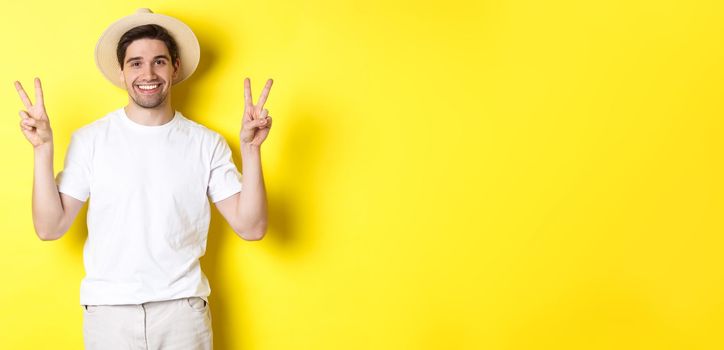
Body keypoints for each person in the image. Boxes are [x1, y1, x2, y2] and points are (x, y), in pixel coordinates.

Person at [14, 8, 273, 349]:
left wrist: (251, 150)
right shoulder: (90, 140)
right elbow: (50, 228)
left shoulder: (206, 143)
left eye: (159, 61)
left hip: (183, 314)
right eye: (135, 63)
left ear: (174, 68)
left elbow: (251, 227)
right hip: (109, 316)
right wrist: (43, 149)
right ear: (122, 72)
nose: (147, 72)